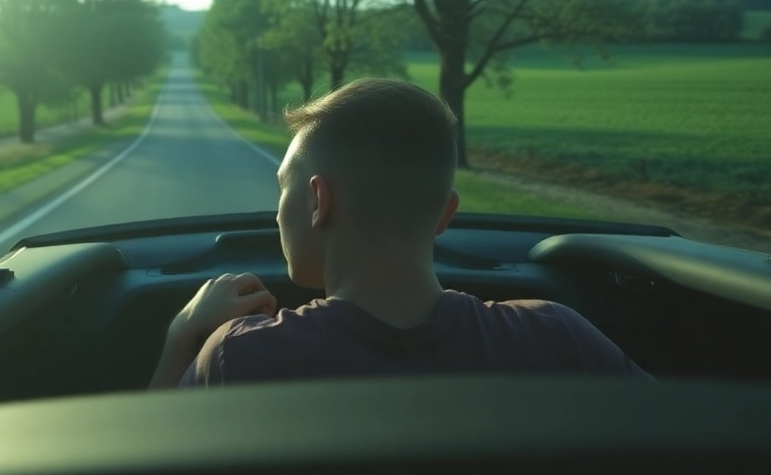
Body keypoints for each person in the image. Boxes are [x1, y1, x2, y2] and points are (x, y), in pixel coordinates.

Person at [149, 78, 650, 388]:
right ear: (444, 214)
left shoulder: (238, 357)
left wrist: (182, 334)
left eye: (284, 189)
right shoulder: (558, 337)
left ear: (318, 201)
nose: (277, 213)